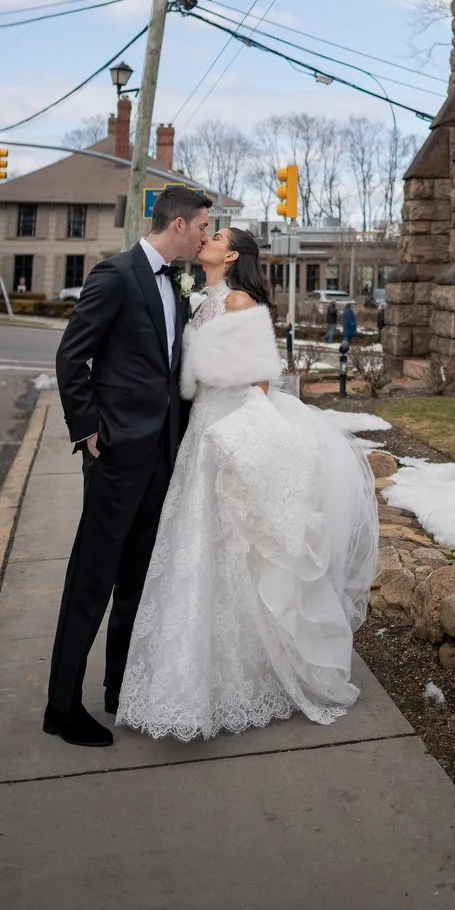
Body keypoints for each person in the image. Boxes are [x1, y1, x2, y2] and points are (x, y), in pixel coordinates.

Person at [117, 226, 379, 740]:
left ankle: (254, 669)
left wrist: (244, 438)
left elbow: (262, 379)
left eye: (213, 236)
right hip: (198, 432)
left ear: (231, 254)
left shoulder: (238, 301)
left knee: (234, 549)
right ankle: (191, 679)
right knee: (198, 549)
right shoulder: (201, 298)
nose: (204, 239)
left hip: (228, 430)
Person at [45, 186, 211, 747]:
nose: (208, 234)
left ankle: (122, 689)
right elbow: (73, 355)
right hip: (115, 456)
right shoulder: (116, 274)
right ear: (181, 224)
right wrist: (88, 429)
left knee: (138, 582)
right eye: (204, 225)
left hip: (161, 457)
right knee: (91, 581)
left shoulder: (178, 285)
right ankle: (62, 706)